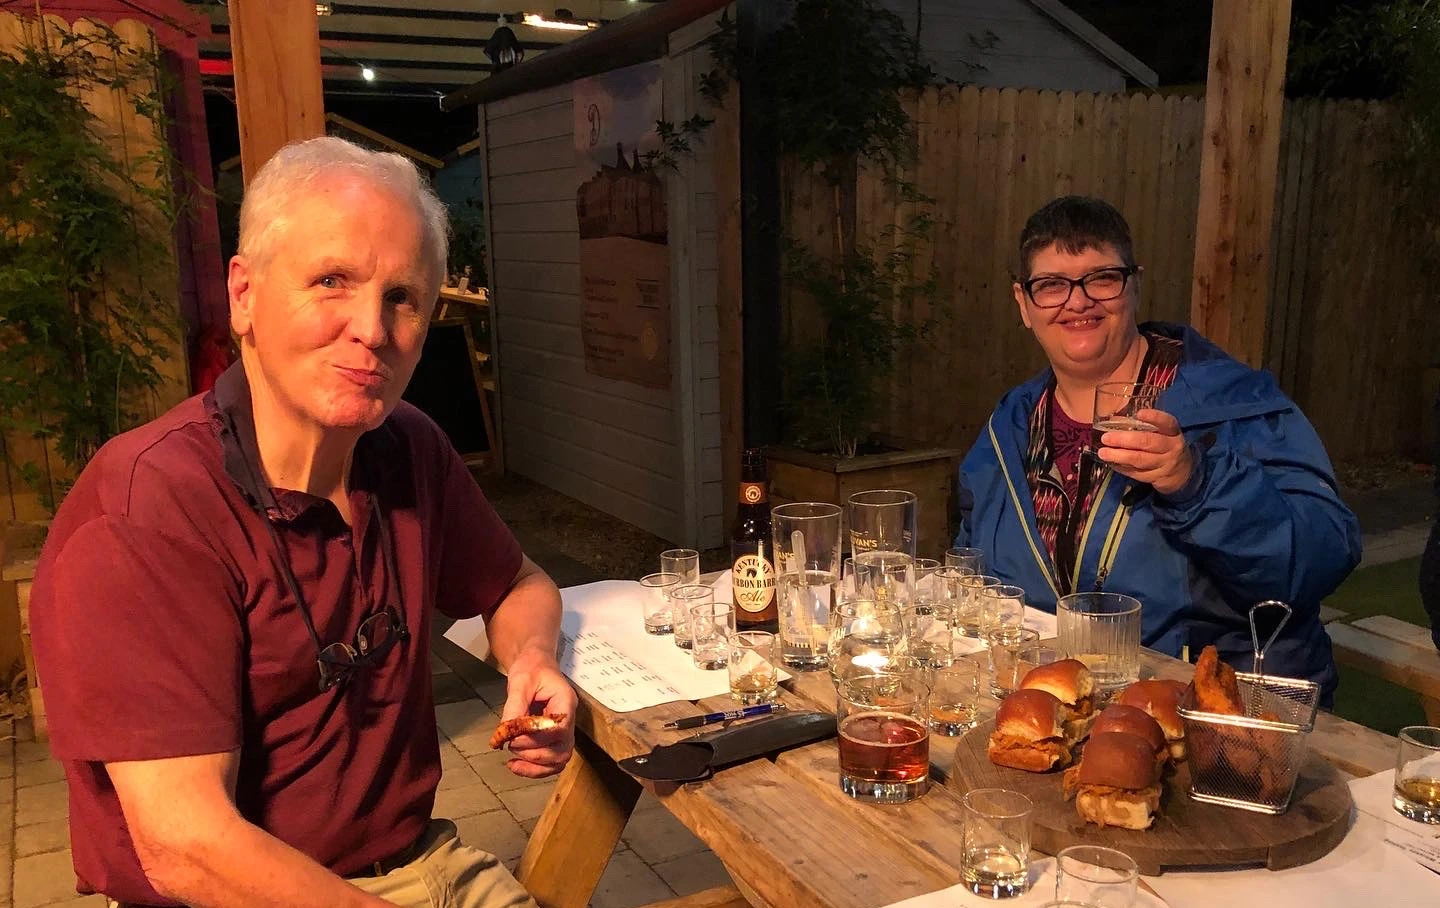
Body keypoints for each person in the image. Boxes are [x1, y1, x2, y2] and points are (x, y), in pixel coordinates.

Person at [30, 136, 575, 908]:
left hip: (418, 861)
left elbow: (517, 583)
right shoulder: (150, 508)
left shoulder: (409, 446)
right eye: (331, 281)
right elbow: (186, 846)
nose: (373, 329)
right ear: (244, 295)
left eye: (402, 297)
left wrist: (532, 660)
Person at [955, 195, 1360, 701]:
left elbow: (1322, 558)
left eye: (1102, 278)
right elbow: (973, 574)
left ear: (1134, 284)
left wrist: (1197, 483)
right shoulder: (1008, 428)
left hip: (1220, 711)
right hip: (1060, 708)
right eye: (1052, 284)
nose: (1077, 302)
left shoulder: (1232, 406)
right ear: (1023, 303)